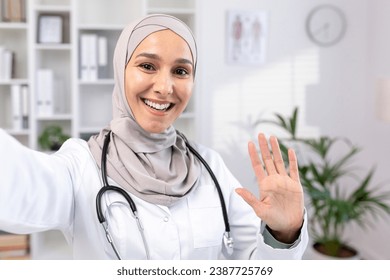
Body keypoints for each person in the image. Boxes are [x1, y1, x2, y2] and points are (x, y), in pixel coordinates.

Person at [0, 14, 308, 260]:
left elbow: (255, 264)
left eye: (181, 71)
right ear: (121, 72)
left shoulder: (209, 167)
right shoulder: (81, 165)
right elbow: (21, 189)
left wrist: (284, 234)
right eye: (147, 66)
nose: (165, 87)